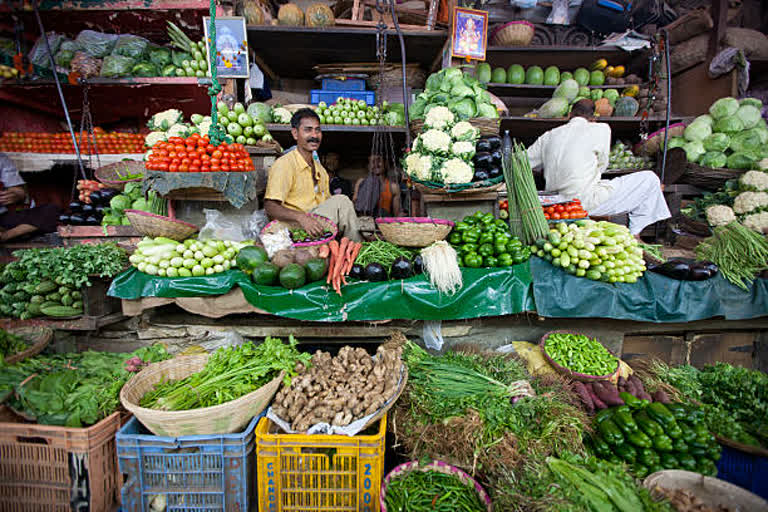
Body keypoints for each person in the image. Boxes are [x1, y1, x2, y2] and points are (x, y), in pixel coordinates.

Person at [526, 99, 670, 236]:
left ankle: (635, 231)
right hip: (583, 202)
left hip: (556, 205)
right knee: (649, 179)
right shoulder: (601, 129)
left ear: (569, 115)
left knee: (599, 185)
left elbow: (523, 160)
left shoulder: (549, 135)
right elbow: (602, 165)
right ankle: (635, 232)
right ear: (593, 117)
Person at [264, 109, 362, 241]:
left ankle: (351, 249)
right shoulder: (285, 164)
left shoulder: (320, 170)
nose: (314, 135)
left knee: (340, 201)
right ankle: (357, 247)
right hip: (294, 226)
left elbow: (327, 204)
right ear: (295, 133)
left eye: (318, 130)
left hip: (315, 224)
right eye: (308, 130)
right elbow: (270, 207)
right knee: (342, 201)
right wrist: (301, 217)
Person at [0, 153, 60, 243]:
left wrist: (15, 194)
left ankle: (5, 236)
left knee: (51, 210)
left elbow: (19, 190)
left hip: (3, 218)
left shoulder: (2, 158)